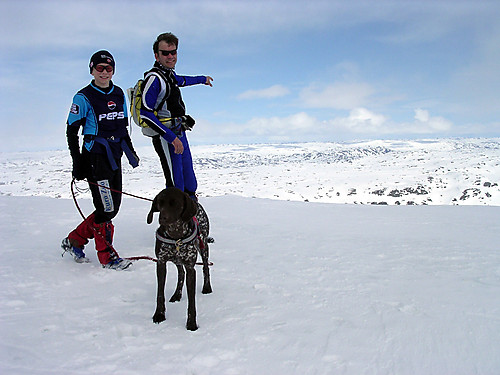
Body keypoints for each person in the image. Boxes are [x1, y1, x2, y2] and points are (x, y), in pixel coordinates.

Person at [61, 50, 139, 270]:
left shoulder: (118, 94)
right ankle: (107, 257)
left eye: (109, 68)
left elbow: (122, 125)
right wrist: (78, 162)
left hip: (115, 156)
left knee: (112, 208)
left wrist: (130, 151)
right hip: (95, 157)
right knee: (105, 208)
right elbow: (71, 131)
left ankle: (74, 240)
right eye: (100, 68)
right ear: (92, 69)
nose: (104, 72)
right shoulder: (83, 97)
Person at [140, 32, 213, 200]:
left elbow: (182, 80)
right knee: (175, 183)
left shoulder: (169, 75)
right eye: (165, 53)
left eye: (173, 52)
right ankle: (173, 223)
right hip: (166, 136)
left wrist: (203, 79)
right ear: (156, 55)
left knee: (189, 179)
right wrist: (171, 137)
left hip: (179, 131)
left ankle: (190, 214)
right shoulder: (154, 79)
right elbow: (146, 113)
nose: (170, 56)